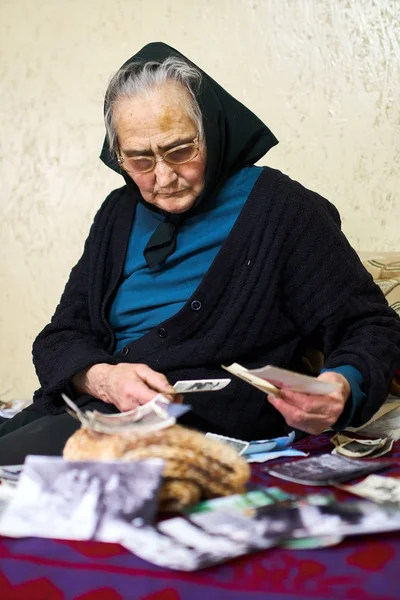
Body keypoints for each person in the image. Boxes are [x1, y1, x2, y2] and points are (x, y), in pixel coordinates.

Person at [0, 42, 399, 465]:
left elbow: (370, 324)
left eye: (180, 150)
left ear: (210, 129)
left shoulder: (279, 210)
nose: (164, 176)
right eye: (139, 159)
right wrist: (103, 378)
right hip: (98, 406)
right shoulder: (117, 214)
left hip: (195, 423)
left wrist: (343, 386)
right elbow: (60, 337)